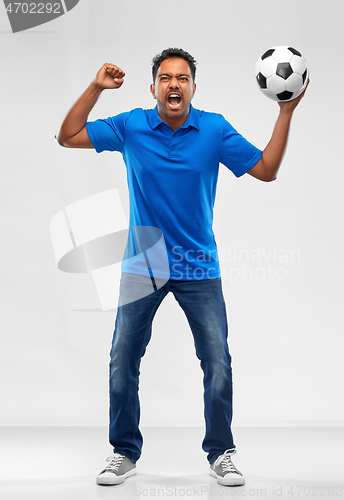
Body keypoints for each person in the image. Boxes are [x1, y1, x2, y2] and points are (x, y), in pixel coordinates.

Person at [56, 47, 308, 487]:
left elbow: (266, 169)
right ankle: (123, 452)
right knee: (121, 360)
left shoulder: (213, 129)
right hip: (143, 264)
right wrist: (96, 87)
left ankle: (221, 452)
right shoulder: (131, 125)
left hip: (199, 265)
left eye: (183, 78)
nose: (174, 85)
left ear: (193, 87)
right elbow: (68, 135)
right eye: (166, 78)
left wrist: (285, 111)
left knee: (217, 363)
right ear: (153, 87)